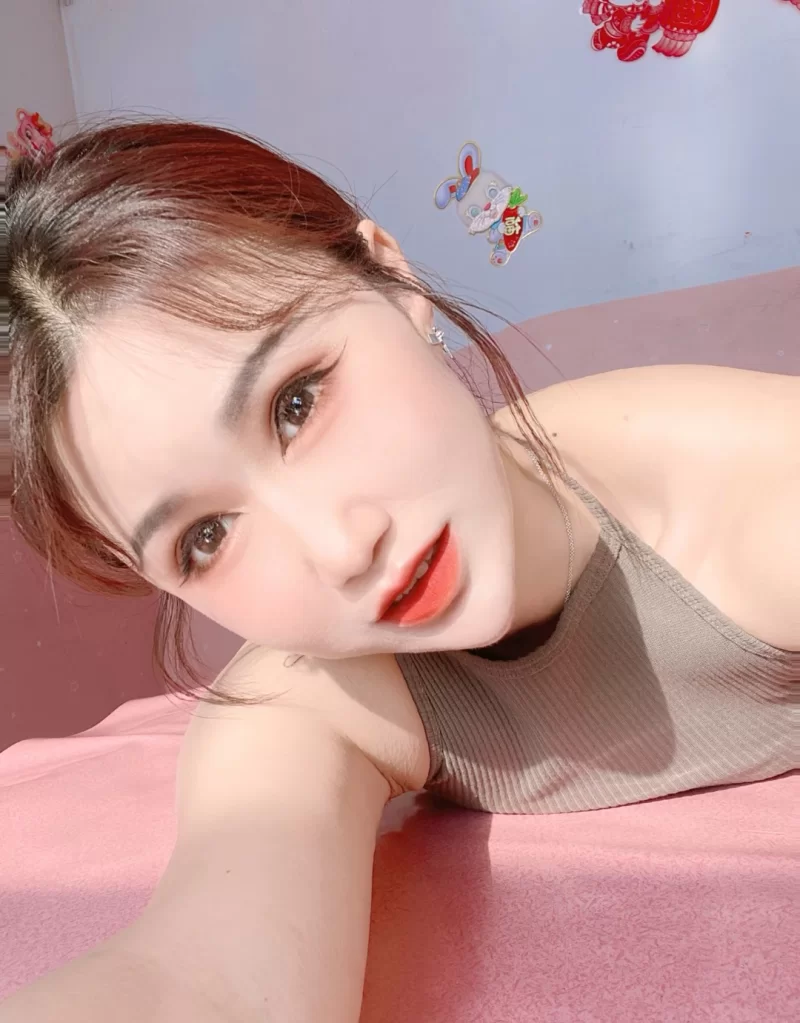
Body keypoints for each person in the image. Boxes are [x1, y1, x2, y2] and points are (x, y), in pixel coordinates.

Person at [3, 120, 797, 1022]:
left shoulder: (753, 499)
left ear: (391, 279)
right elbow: (203, 981)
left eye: (297, 403)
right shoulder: (317, 694)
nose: (340, 548)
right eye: (206, 537)